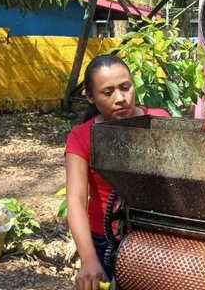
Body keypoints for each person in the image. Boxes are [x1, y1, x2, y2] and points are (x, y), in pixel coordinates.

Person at [64, 54, 169, 290]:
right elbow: (76, 200)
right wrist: (89, 259)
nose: (121, 98)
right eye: (107, 92)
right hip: (106, 241)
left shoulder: (159, 120)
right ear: (90, 97)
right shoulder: (81, 136)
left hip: (155, 237)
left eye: (125, 87)